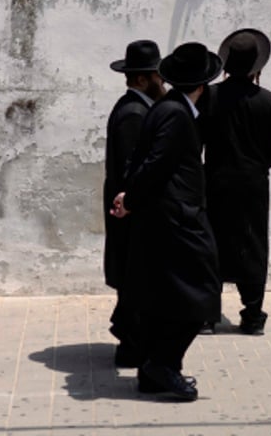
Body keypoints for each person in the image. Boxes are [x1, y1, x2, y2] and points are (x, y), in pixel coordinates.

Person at [111, 42, 223, 402]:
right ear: (203, 84)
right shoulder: (175, 114)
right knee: (203, 294)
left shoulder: (166, 107)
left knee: (170, 297)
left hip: (166, 218)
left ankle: (153, 371)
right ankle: (163, 363)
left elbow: (143, 162)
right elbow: (156, 164)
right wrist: (133, 199)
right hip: (179, 220)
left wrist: (131, 197)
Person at [202, 28, 271, 336]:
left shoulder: (210, 96)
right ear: (256, 68)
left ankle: (208, 314)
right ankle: (251, 314)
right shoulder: (267, 101)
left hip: (216, 180)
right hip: (252, 184)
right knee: (253, 244)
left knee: (213, 243)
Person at [103, 39, 165, 368]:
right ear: (142, 79)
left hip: (130, 210)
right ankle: (130, 346)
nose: (163, 82)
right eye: (158, 76)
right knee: (133, 279)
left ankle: (132, 343)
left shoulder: (137, 109)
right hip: (130, 212)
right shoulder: (134, 114)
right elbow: (132, 172)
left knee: (134, 279)